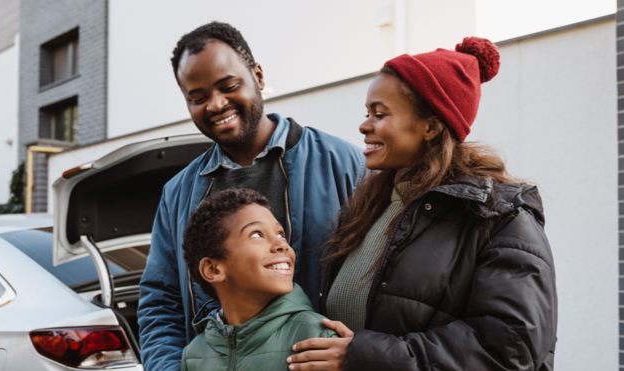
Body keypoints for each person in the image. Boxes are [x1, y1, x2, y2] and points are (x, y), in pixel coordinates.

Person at [287, 37, 559, 371]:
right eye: (366, 113)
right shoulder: (367, 209)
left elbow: (511, 348)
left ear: (430, 127)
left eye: (379, 113)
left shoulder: (499, 218)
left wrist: (363, 357)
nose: (364, 125)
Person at [137, 22, 365, 371]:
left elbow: (388, 280)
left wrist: (361, 355)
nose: (215, 105)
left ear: (258, 76)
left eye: (228, 86)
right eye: (197, 98)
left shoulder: (344, 163)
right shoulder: (178, 193)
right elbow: (161, 301)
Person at [180, 189, 338, 371]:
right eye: (256, 234)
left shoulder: (318, 338)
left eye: (280, 234)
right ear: (213, 269)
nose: (282, 245)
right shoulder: (193, 355)